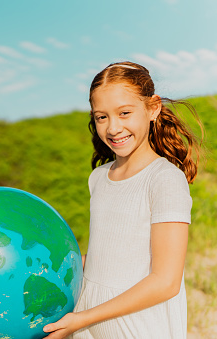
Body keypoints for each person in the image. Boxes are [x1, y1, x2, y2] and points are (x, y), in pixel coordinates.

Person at [43, 61, 203, 338]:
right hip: (90, 320)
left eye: (125, 113)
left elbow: (165, 282)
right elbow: (112, 254)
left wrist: (83, 319)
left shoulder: (164, 179)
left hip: (136, 324)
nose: (113, 128)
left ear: (153, 108)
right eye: (101, 117)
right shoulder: (99, 177)